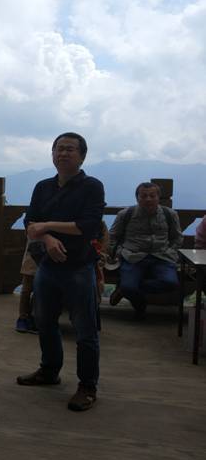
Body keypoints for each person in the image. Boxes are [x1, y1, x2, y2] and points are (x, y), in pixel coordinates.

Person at [16, 132, 105, 412]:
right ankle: (49, 370)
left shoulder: (92, 186)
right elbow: (30, 222)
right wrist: (47, 238)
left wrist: (46, 226)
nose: (63, 153)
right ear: (52, 154)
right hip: (47, 265)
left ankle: (87, 386)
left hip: (79, 266)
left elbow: (88, 226)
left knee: (85, 329)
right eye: (59, 149)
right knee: (44, 321)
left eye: (70, 149)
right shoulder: (43, 186)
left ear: (82, 156)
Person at [108, 182, 183, 315]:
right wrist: (119, 253)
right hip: (132, 256)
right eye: (143, 196)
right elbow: (112, 236)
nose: (148, 199)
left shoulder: (169, 214)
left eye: (152, 196)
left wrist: (171, 251)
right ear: (137, 198)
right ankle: (140, 305)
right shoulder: (126, 214)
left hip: (162, 256)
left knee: (170, 283)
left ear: (158, 198)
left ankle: (123, 290)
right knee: (129, 287)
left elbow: (177, 237)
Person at [15, 239, 38, 334]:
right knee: (26, 290)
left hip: (49, 255)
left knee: (40, 291)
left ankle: (33, 317)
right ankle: (23, 318)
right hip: (33, 252)